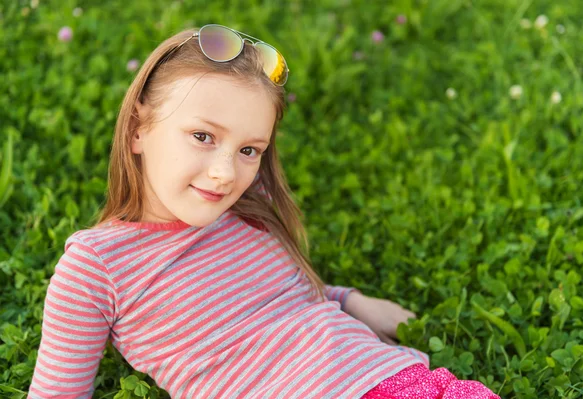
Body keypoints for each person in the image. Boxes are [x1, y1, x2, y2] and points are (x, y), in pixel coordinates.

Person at [27, 24, 500, 399]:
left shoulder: (250, 212)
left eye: (250, 150)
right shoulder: (97, 266)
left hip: (392, 381)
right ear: (137, 130)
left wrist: (351, 301)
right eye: (203, 137)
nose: (224, 173)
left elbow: (282, 299)